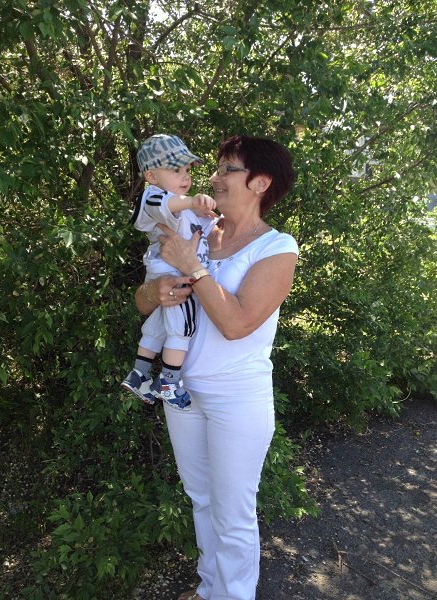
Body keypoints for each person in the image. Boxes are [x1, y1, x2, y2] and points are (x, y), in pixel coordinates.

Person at [134, 134, 298, 600]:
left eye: (228, 168)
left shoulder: (277, 247)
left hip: (236, 396)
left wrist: (193, 266)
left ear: (260, 182)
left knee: (232, 512)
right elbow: (144, 302)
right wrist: (154, 293)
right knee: (201, 499)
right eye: (218, 167)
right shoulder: (196, 226)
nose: (213, 177)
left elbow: (237, 323)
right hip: (181, 391)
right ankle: (211, 590)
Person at [121, 134, 216, 410]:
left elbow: (186, 219)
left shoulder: (179, 205)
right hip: (173, 272)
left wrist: (200, 214)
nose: (185, 176)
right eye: (176, 170)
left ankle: (139, 374)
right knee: (182, 327)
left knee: (160, 325)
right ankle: (169, 383)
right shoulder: (153, 197)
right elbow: (169, 205)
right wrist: (193, 202)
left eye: (187, 170)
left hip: (169, 270)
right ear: (151, 176)